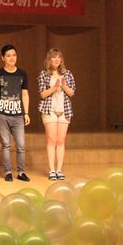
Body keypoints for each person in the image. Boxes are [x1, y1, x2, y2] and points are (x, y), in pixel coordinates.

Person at [0, 44, 31, 182]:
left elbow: (25, 94)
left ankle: (21, 172)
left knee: (21, 145)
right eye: (8, 56)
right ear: (3, 58)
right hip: (2, 114)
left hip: (18, 115)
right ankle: (8, 172)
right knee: (6, 144)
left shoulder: (22, 74)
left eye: (14, 55)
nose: (12, 58)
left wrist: (26, 113)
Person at [37, 49, 76, 181]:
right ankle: (52, 170)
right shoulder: (44, 74)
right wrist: (54, 87)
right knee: (51, 140)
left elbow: (71, 93)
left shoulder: (67, 74)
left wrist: (63, 86)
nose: (56, 60)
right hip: (49, 110)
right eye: (54, 57)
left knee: (61, 141)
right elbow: (42, 94)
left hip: (64, 110)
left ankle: (59, 169)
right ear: (49, 60)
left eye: (59, 57)